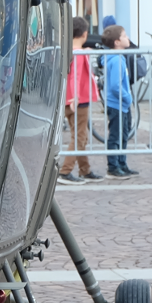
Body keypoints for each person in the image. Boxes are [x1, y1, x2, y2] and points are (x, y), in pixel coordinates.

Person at [60, 17, 101, 184]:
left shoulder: (69, 51)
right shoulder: (78, 53)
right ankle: (65, 171)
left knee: (79, 136)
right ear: (85, 34)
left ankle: (85, 170)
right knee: (79, 137)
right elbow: (75, 77)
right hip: (78, 100)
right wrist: (76, 96)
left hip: (70, 99)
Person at [101, 24, 136, 178]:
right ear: (116, 42)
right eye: (124, 36)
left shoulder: (118, 58)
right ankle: (113, 166)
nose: (127, 38)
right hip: (117, 104)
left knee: (123, 135)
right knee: (116, 136)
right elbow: (116, 85)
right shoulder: (116, 60)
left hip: (122, 104)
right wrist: (128, 97)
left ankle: (122, 163)